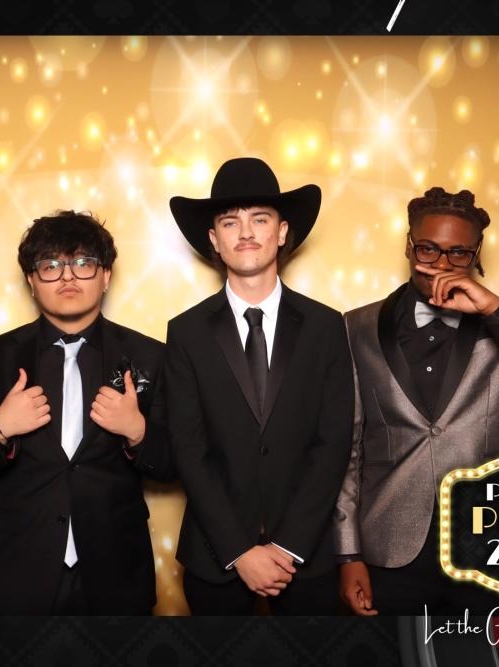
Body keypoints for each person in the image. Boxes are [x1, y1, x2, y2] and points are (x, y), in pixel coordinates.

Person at [334, 187, 499, 615]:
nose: (441, 264)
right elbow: (348, 448)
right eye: (428, 249)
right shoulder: (356, 326)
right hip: (391, 547)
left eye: (458, 253)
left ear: (476, 254)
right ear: (409, 245)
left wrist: (495, 311)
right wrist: (348, 553)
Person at [0, 210, 173, 615]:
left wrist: (138, 431)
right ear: (31, 281)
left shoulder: (150, 356)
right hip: (16, 575)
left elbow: (176, 464)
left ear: (105, 276)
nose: (68, 277)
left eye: (83, 263)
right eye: (51, 265)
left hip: (117, 575)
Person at [166, 157, 354, 615]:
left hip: (306, 558)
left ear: (283, 232)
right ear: (214, 239)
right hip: (216, 557)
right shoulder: (186, 332)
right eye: (230, 222)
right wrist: (239, 551)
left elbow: (333, 443)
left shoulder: (326, 326)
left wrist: (289, 546)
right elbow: (189, 450)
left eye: (260, 219)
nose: (246, 232)